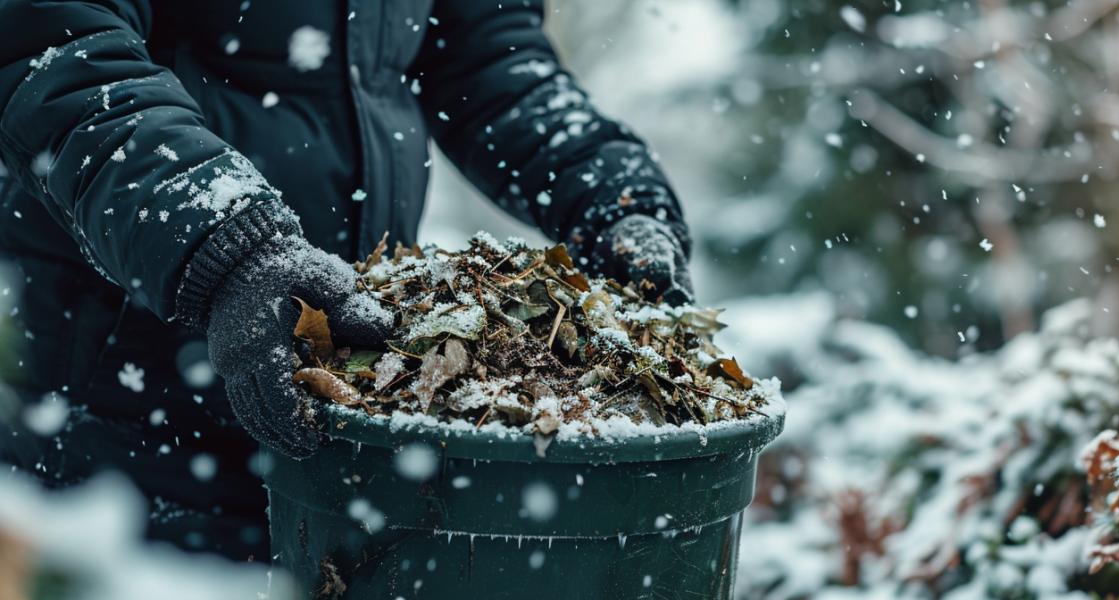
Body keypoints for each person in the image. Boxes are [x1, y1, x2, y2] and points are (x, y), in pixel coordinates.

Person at [0, 1, 692, 560]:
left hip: (340, 399)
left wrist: (611, 193)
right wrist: (225, 246)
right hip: (120, 402)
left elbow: (488, 58)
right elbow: (54, 46)